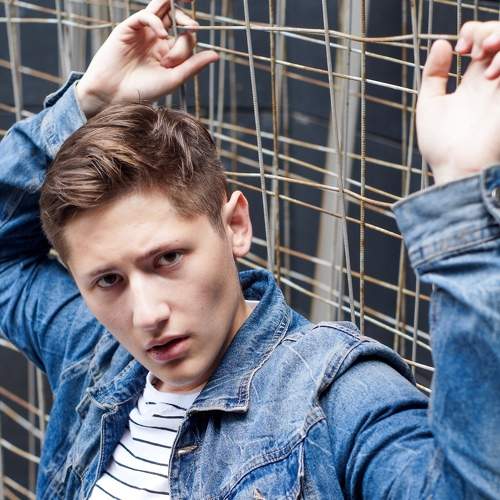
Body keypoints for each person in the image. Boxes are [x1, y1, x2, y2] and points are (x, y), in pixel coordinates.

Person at [0, 0, 498, 497]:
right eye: (109, 280)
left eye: (168, 259)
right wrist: (88, 102)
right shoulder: (94, 350)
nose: (148, 315)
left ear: (236, 225)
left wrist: (463, 197)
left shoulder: (336, 395)